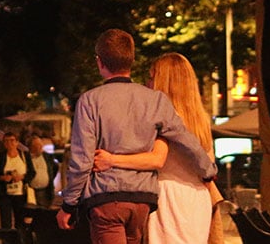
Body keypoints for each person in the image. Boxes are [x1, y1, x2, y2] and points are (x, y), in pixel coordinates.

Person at [57, 29, 216, 244]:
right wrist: (207, 170)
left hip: (107, 198)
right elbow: (185, 138)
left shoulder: (90, 101)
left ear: (99, 62)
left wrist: (69, 204)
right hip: (143, 201)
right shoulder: (155, 100)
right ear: (131, 60)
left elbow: (82, 159)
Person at [90, 52, 225, 244]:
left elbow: (156, 159)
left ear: (164, 82)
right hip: (197, 200)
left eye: (152, 77)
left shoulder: (167, 119)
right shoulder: (200, 119)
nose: (147, 83)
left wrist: (111, 159)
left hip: (170, 201)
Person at [0, 131, 34, 229]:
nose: (9, 143)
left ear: (17, 142)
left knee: (21, 222)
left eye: (12, 141)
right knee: (6, 223)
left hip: (21, 194)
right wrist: (3, 178)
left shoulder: (24, 156)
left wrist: (22, 177)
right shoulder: (0, 157)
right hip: (5, 194)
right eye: (6, 141)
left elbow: (32, 172)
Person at [27, 135, 58, 208]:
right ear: (31, 147)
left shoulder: (47, 157)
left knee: (45, 214)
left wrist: (48, 179)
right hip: (31, 192)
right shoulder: (26, 157)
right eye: (37, 145)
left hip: (45, 191)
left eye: (41, 144)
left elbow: (54, 168)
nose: (41, 147)